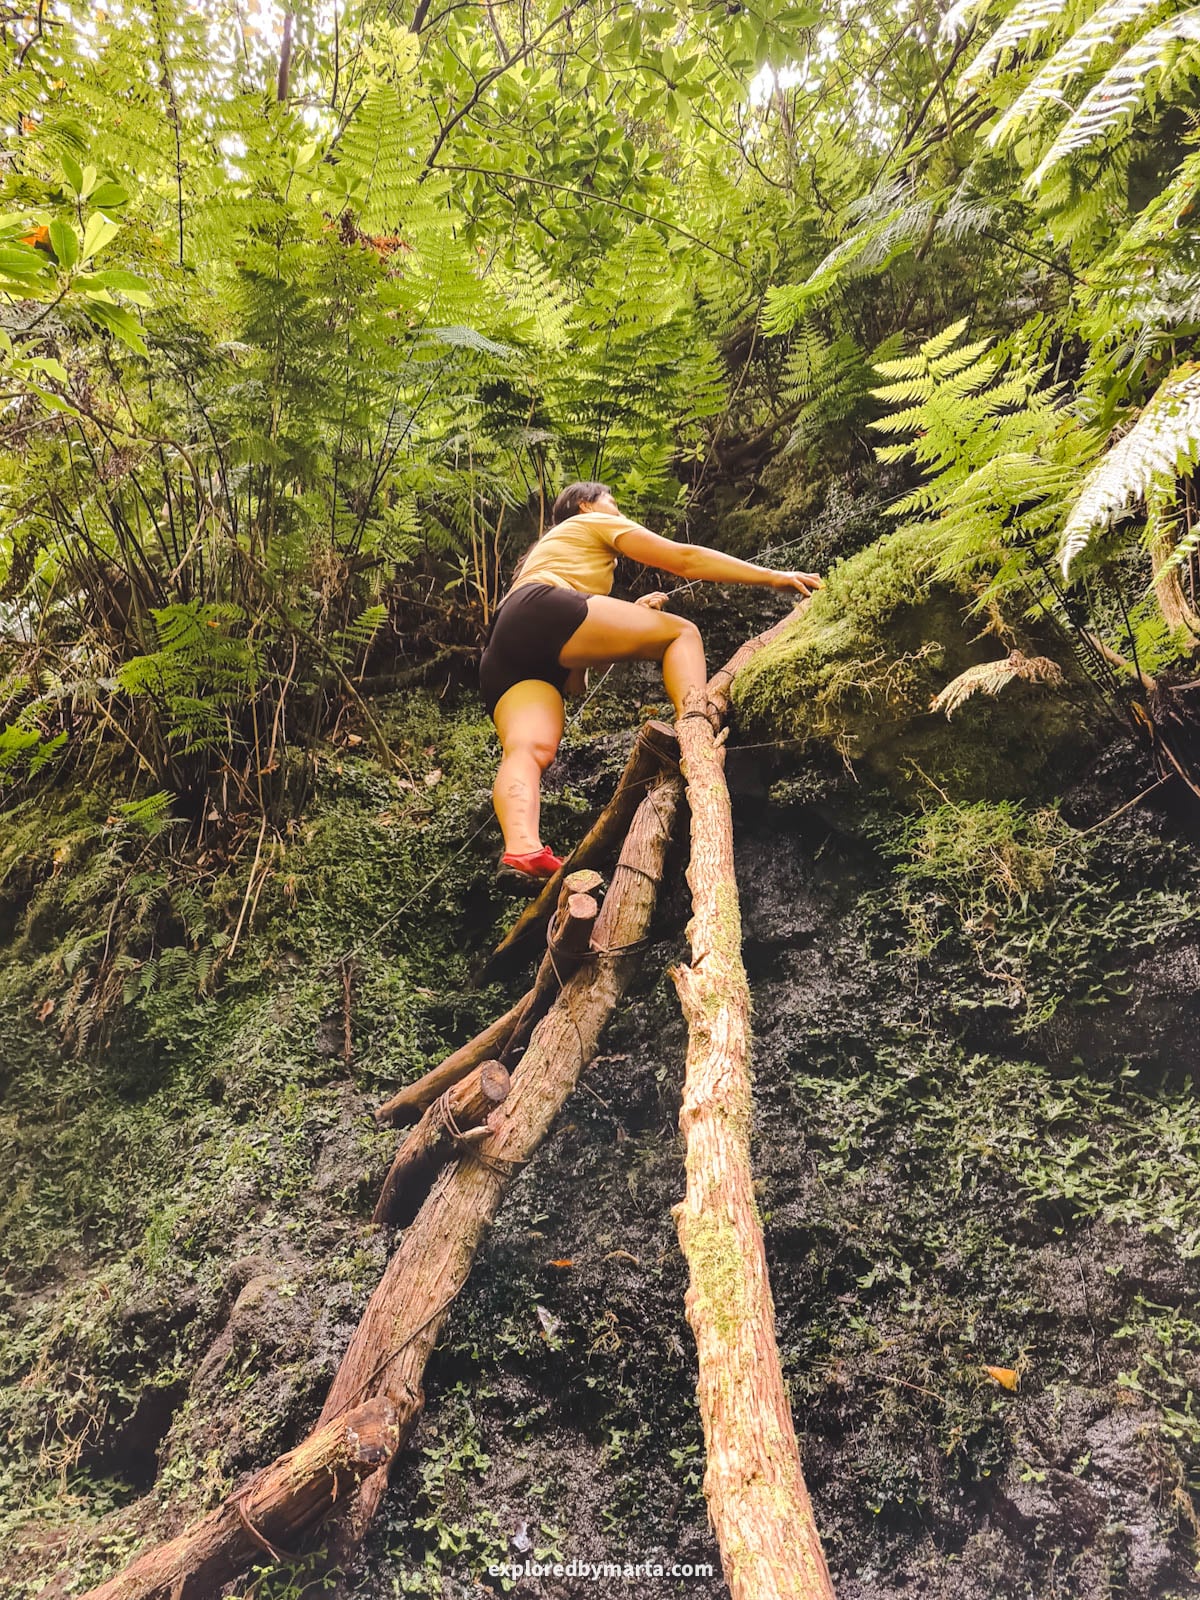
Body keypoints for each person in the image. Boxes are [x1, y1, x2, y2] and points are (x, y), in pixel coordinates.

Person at [479, 480, 822, 884]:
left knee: (529, 747)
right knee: (681, 633)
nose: (619, 513)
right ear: (586, 506)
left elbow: (572, 677)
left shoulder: (550, 557)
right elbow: (684, 558)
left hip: (504, 643)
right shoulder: (590, 525)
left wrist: (630, 614)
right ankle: (695, 725)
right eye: (614, 504)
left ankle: (522, 849)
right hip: (541, 610)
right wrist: (772, 576)